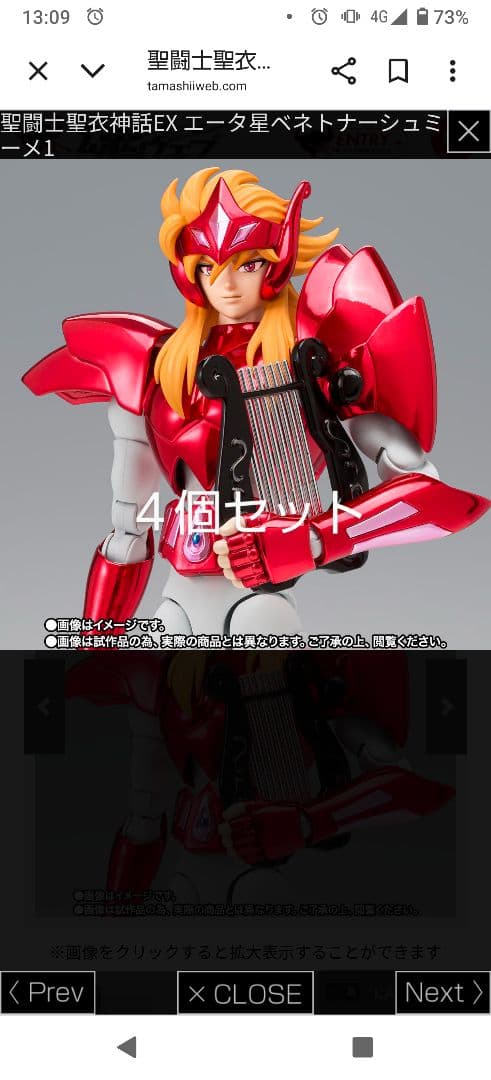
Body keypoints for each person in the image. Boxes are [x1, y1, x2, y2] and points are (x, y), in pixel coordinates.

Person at [23, 167, 489, 636]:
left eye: (247, 264)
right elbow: (128, 531)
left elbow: (429, 495)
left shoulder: (312, 361)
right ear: (187, 272)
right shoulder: (158, 367)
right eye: (208, 267)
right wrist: (95, 641)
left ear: (276, 264)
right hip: (177, 596)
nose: (226, 284)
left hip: (260, 598)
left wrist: (316, 540)